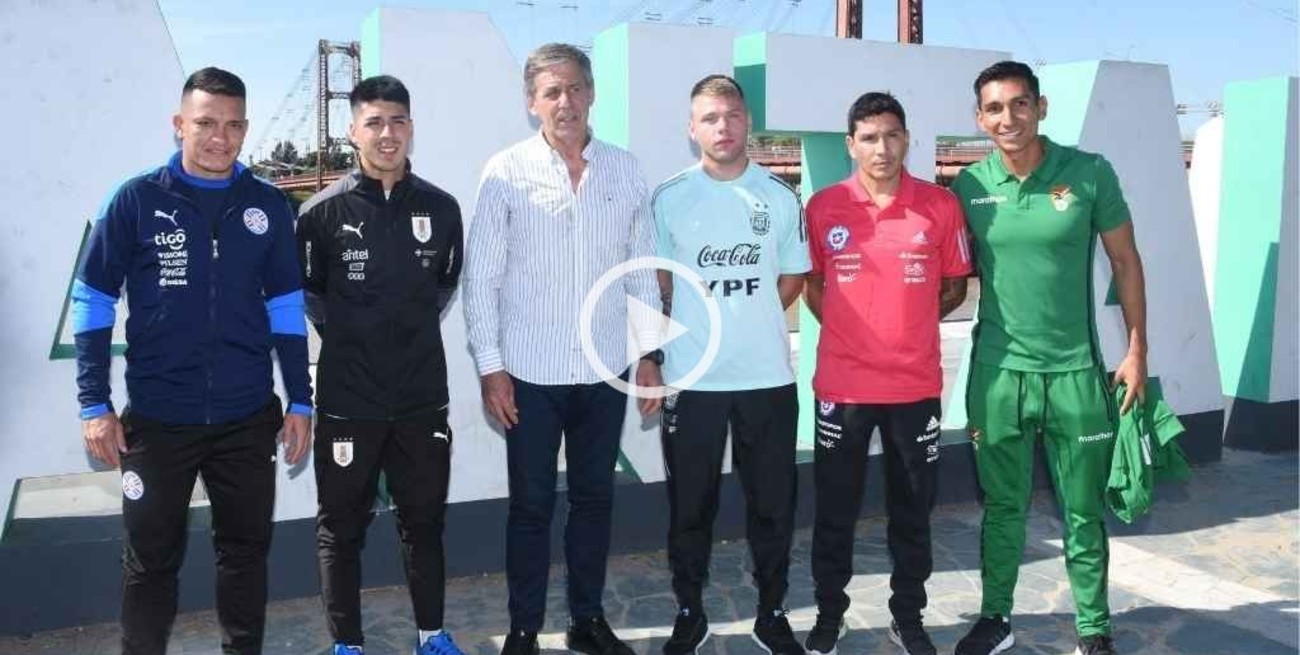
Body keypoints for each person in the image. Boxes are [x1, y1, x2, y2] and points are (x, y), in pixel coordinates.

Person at [73, 67, 313, 655]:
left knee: (244, 557)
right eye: (205, 123)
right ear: (179, 124)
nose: (219, 138)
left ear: (246, 129)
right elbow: (94, 299)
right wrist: (93, 402)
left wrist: (301, 399)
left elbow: (285, 308)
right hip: (157, 420)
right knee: (150, 565)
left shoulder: (268, 206)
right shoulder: (136, 199)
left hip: (246, 417)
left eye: (233, 125)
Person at [463, 42, 661, 655]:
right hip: (529, 374)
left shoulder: (626, 169)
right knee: (530, 506)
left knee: (595, 500)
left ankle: (586, 621)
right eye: (552, 92)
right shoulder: (505, 171)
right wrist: (491, 368)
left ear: (592, 92)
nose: (565, 101)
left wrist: (649, 354)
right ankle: (523, 630)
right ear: (532, 103)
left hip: (605, 368)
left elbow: (640, 270)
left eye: (574, 88)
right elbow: (481, 278)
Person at [949, 60, 1148, 655]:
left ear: (1041, 106)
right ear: (979, 119)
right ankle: (996, 618)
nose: (1007, 118)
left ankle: (1093, 628)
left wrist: (1136, 350)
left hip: (1075, 375)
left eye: (1018, 104)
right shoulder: (968, 187)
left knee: (1082, 512)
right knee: (1003, 507)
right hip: (997, 376)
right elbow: (951, 276)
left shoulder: (1088, 174)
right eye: (993, 108)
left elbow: (1126, 262)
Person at [296, 75, 465, 655]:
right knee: (340, 529)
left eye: (396, 121)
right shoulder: (320, 214)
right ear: (353, 131)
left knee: (424, 522)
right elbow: (313, 299)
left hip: (422, 398)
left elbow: (442, 287)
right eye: (373, 122)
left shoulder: (442, 209)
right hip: (349, 400)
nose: (386, 133)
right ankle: (348, 644)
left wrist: (401, 339)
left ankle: (432, 635)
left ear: (411, 127)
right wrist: (358, 343)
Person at [801, 92, 972, 655]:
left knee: (912, 512)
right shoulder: (823, 207)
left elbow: (953, 284)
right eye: (869, 137)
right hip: (843, 388)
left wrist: (908, 322)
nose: (882, 148)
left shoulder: (939, 207)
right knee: (835, 510)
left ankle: (909, 617)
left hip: (915, 387)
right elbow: (813, 284)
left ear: (907, 139)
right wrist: (856, 331)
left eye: (892, 135)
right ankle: (830, 614)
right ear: (851, 144)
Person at [652, 74, 810, 655]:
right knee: (690, 508)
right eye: (710, 118)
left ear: (748, 123)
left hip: (766, 379)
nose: (723, 127)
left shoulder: (778, 195)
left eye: (733, 116)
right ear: (692, 129)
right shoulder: (669, 196)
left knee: (773, 507)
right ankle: (690, 611)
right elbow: (657, 282)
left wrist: (746, 316)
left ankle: (772, 613)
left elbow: (791, 279)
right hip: (692, 382)